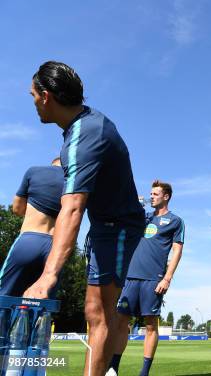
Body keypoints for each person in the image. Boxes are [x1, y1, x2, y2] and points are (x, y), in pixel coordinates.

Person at [24, 61, 145, 376]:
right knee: (94, 312)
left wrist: (48, 276)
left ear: (47, 96)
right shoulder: (79, 129)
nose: (33, 101)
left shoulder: (85, 134)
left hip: (118, 227)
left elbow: (73, 207)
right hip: (103, 227)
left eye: (33, 95)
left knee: (102, 312)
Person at [109, 180, 185, 376]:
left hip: (154, 279)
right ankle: (113, 369)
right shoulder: (144, 218)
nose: (151, 196)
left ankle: (144, 373)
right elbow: (122, 219)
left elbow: (177, 251)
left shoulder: (175, 221)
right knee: (120, 322)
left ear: (166, 196)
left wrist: (167, 278)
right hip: (131, 277)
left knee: (150, 325)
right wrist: (135, 205)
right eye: (151, 194)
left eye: (155, 194)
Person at [0, 158, 63, 296]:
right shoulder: (74, 183)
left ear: (53, 163)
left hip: (30, 239)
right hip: (56, 247)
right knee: (43, 302)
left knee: (3, 296)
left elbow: (17, 208)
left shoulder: (34, 171)